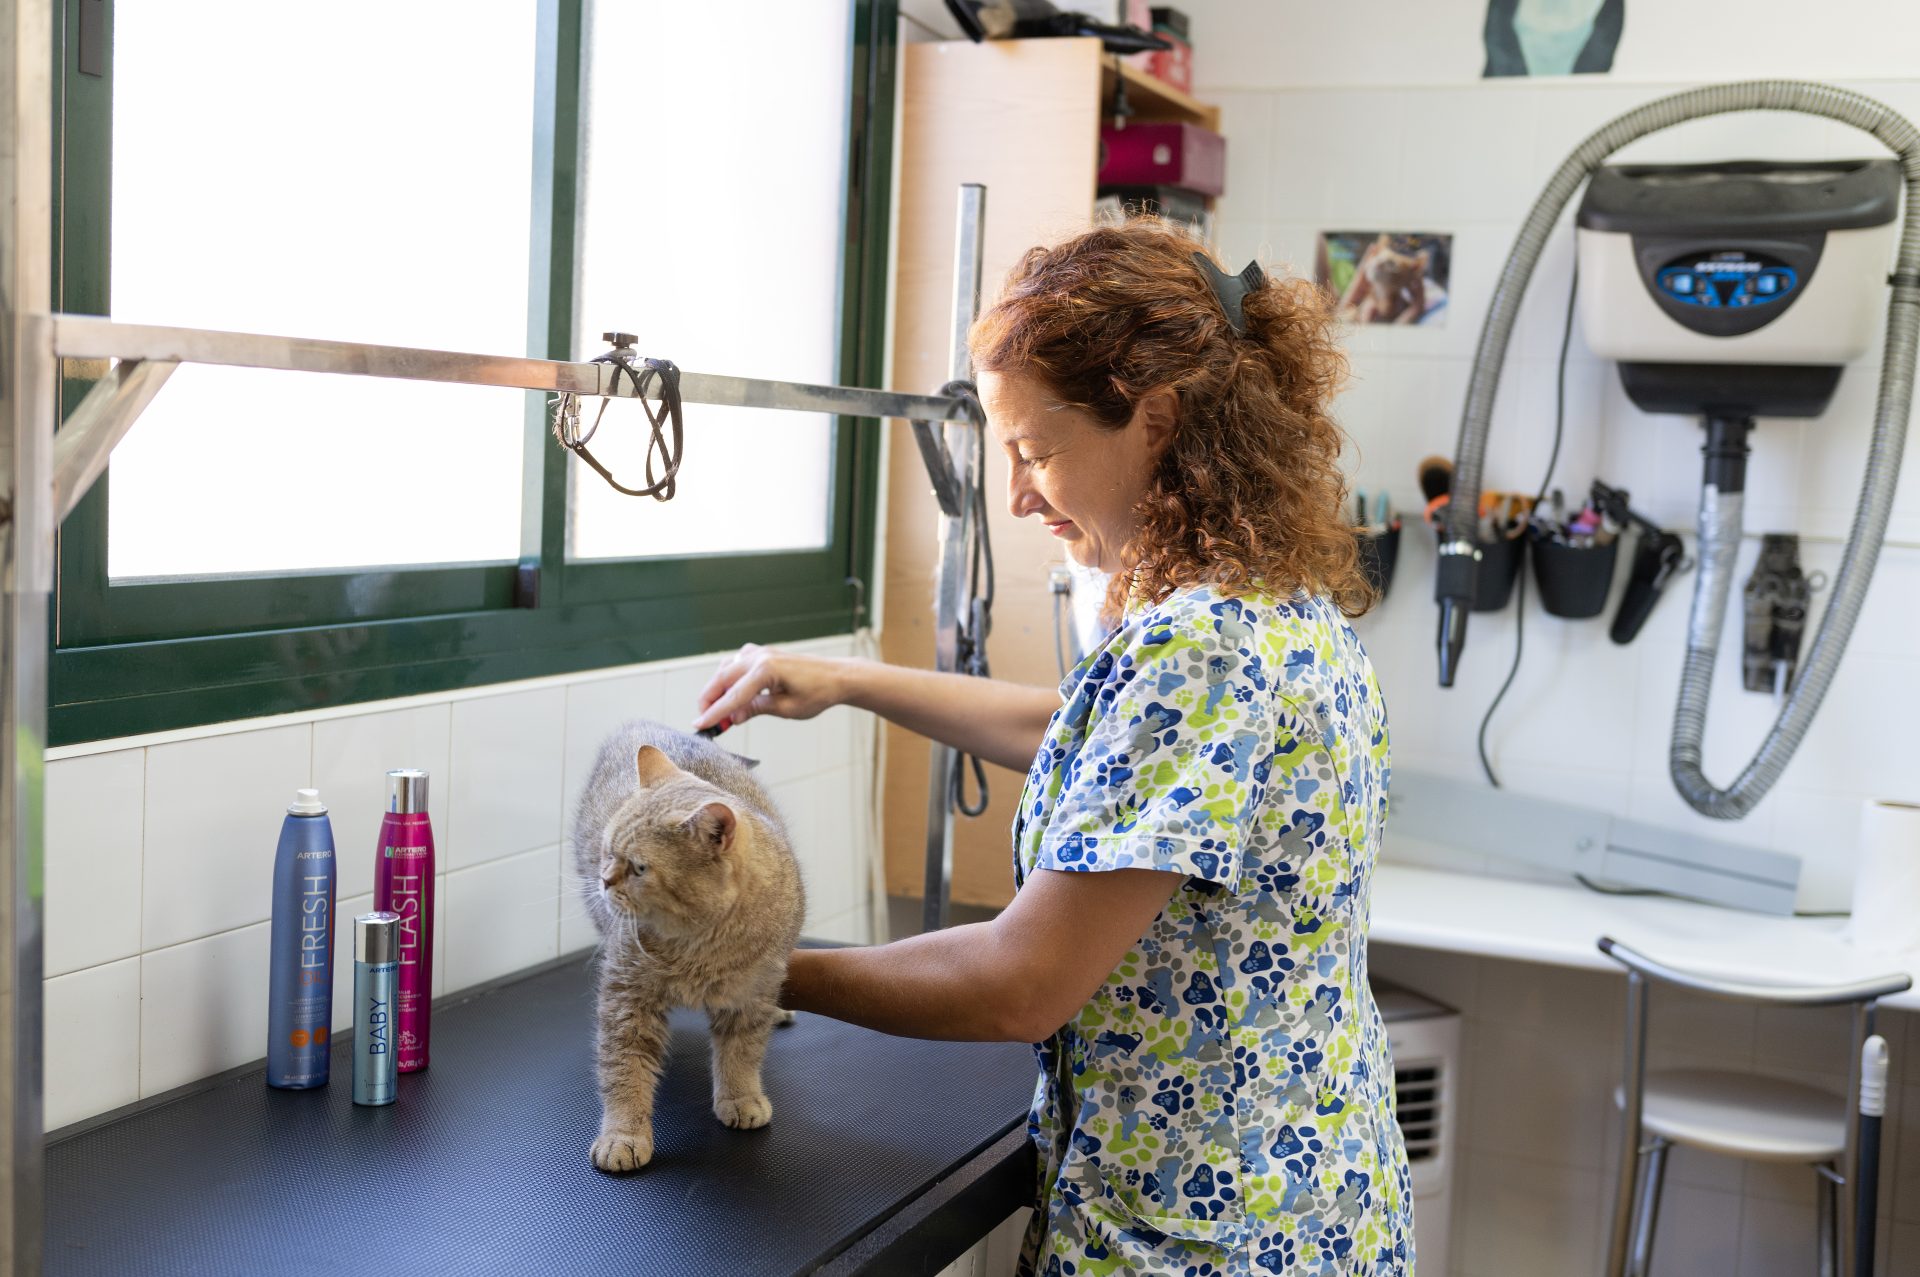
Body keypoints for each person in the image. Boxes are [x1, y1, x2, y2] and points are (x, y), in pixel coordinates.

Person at [693, 218, 1415, 1276]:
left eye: (1035, 452)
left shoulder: (1199, 647)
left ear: (1157, 420)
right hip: (1308, 1193)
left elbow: (1019, 982)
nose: (1019, 494)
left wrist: (754, 967)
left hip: (1209, 1234)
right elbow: (1096, 744)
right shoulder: (1272, 606)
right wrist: (844, 680)